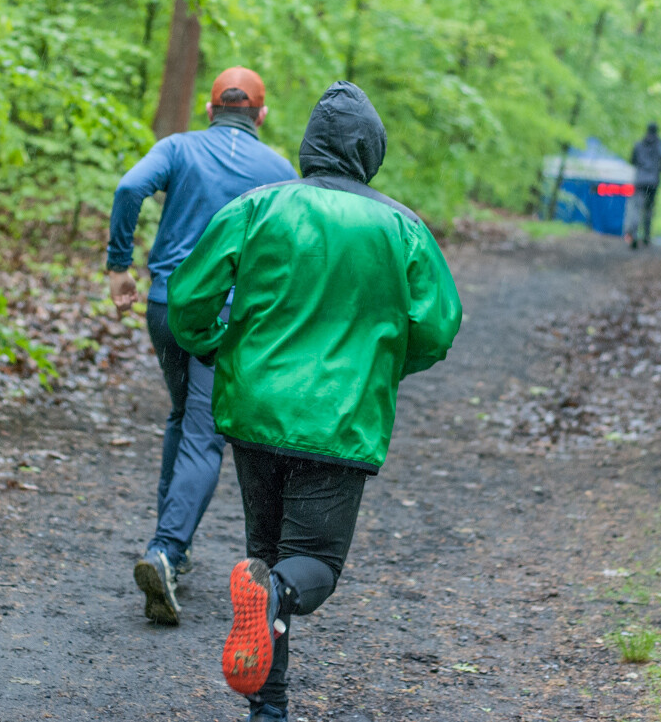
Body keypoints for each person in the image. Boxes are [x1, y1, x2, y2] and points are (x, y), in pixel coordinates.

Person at [167, 81, 462, 722]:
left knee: (267, 565)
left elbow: (189, 297)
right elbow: (438, 328)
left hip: (254, 411)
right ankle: (270, 630)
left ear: (309, 147)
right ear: (370, 151)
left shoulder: (258, 207)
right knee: (312, 567)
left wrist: (215, 346)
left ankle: (267, 711)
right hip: (339, 420)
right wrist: (383, 367)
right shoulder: (402, 228)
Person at [105, 66, 296, 626]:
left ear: (211, 110)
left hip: (165, 306)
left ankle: (171, 549)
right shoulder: (281, 171)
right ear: (260, 115)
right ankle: (165, 549)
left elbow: (127, 187)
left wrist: (119, 267)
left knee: (184, 413)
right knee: (204, 431)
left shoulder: (178, 147)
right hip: (226, 317)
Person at [623, 122, 661, 249]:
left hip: (640, 180)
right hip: (653, 181)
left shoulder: (639, 144)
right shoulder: (660, 144)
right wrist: (660, 169)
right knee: (649, 209)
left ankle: (633, 234)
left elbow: (632, 160)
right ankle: (647, 236)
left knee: (636, 208)